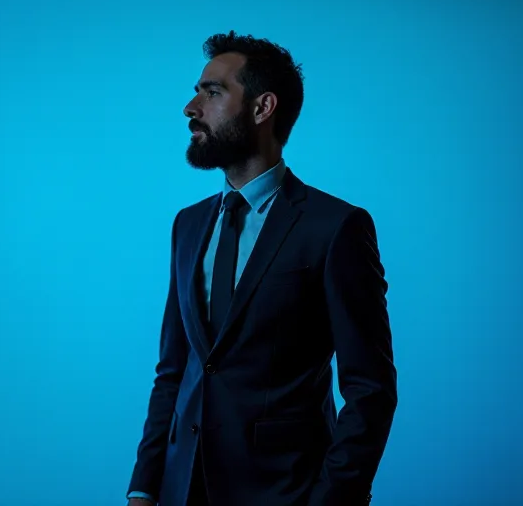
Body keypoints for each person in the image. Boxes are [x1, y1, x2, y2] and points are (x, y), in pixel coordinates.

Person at [125, 31, 398, 506]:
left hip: (284, 492)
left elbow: (370, 389)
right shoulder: (188, 226)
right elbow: (175, 370)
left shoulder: (335, 228)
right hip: (180, 489)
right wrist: (145, 486)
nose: (191, 108)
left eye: (212, 92)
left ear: (261, 107)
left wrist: (333, 499)